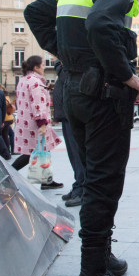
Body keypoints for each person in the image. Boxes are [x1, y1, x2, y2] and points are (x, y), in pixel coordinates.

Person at [24, 0, 139, 276]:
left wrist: (65, 53)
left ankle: (102, 256)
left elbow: (34, 12)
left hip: (73, 90)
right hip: (104, 95)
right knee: (104, 184)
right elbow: (99, 24)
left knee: (93, 178)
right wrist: (126, 75)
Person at [10, 56, 63, 189]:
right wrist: (42, 123)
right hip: (35, 123)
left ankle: (47, 181)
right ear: (36, 67)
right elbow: (37, 103)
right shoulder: (35, 82)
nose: (44, 67)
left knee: (40, 151)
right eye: (42, 65)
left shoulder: (23, 80)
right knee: (32, 153)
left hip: (25, 122)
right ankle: (9, 174)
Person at [53, 60, 87, 206]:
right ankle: (78, 185)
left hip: (72, 113)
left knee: (77, 154)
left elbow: (69, 78)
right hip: (67, 114)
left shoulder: (68, 61)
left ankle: (82, 189)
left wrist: (58, 65)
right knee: (74, 154)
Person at [0, 83, 15, 156]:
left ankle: (7, 151)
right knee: (9, 134)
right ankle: (11, 150)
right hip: (9, 118)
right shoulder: (7, 97)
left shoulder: (3, 97)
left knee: (3, 135)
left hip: (5, 118)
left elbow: (3, 108)